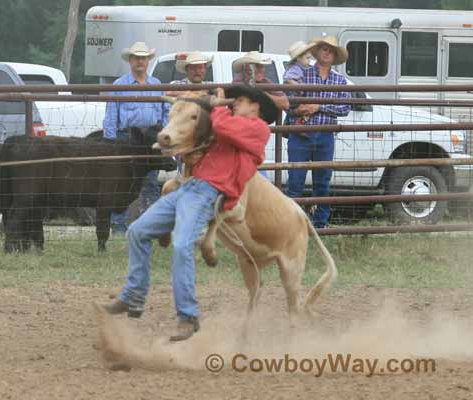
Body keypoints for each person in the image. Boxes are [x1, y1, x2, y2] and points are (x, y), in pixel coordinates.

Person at [101, 86, 277, 342]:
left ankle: (188, 315)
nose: (235, 103)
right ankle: (134, 296)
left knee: (183, 244)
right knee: (137, 231)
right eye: (235, 100)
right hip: (189, 188)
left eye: (241, 100)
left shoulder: (258, 129)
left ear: (256, 107)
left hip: (209, 192)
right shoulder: (227, 123)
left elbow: (223, 126)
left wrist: (215, 104)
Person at [285, 36, 352, 229]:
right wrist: (298, 110)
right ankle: (291, 225)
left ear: (334, 55)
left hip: (325, 134)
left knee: (322, 181)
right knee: (295, 181)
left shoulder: (340, 81)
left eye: (330, 50)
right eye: (323, 48)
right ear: (317, 52)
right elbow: (289, 103)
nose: (327, 52)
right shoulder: (302, 75)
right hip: (301, 132)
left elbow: (345, 108)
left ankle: (320, 224)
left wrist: (318, 106)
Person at [102, 42, 169, 235]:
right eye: (136, 58)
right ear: (130, 61)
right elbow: (111, 117)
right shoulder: (119, 85)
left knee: (150, 183)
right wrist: (110, 144)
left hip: (150, 140)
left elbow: (165, 113)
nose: (140, 61)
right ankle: (118, 228)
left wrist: (163, 138)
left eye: (143, 58)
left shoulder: (157, 85)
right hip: (127, 140)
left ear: (148, 61)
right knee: (122, 183)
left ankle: (151, 227)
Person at [231, 51, 289, 179]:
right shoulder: (238, 83)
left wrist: (260, 95)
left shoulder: (265, 82)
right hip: (241, 134)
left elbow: (285, 103)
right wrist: (263, 96)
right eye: (256, 66)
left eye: (261, 66)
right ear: (246, 68)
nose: (261, 69)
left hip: (254, 135)